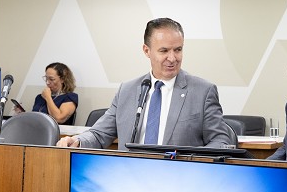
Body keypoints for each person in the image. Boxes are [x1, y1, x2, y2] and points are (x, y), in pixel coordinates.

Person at [57, 18, 232, 149]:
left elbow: (221, 140)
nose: (172, 58)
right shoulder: (127, 90)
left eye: (178, 50)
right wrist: (78, 141)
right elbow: (99, 133)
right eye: (164, 51)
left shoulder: (203, 91)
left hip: (180, 179)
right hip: (131, 177)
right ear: (146, 51)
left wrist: (195, 163)